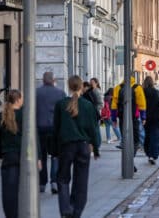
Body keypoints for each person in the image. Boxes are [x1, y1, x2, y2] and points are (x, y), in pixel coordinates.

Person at [53, 76, 101, 218]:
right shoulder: (87, 105)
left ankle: (65, 210)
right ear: (81, 87)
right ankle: (76, 211)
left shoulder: (61, 105)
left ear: (68, 86)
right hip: (83, 146)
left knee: (62, 179)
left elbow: (55, 129)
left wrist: (54, 151)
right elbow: (93, 129)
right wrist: (96, 148)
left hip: (66, 146)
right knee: (81, 181)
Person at [0, 90, 23, 218]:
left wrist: (1, 153)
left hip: (8, 156)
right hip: (24, 157)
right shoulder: (24, 115)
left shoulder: (1, 116)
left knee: (9, 191)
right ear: (18, 100)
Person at [36, 71, 66, 194]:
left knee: (41, 156)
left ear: (43, 80)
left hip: (39, 128)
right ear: (54, 80)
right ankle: (54, 182)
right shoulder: (60, 93)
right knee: (56, 155)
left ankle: (42, 183)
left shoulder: (36, 93)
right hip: (55, 129)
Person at [111, 75, 147, 172]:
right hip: (134, 117)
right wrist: (143, 116)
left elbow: (114, 104)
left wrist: (113, 118)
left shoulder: (118, 88)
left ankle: (128, 160)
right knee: (135, 140)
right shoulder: (137, 88)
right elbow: (142, 103)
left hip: (122, 117)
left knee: (125, 140)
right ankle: (130, 160)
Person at [143, 76, 159, 164]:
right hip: (156, 118)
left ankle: (148, 153)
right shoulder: (157, 93)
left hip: (145, 118)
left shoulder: (143, 92)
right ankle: (154, 155)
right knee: (155, 137)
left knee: (147, 136)